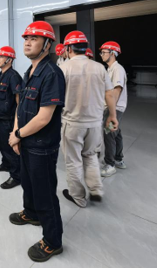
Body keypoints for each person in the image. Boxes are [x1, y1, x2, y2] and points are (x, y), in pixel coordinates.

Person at [8, 21, 65, 263]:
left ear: (47, 44)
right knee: (28, 184)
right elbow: (20, 106)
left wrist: (18, 135)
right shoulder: (29, 72)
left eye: (34, 38)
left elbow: (44, 117)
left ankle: (52, 241)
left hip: (41, 145)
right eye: (26, 39)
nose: (27, 42)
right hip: (26, 141)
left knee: (45, 193)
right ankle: (31, 213)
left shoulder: (52, 74)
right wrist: (16, 132)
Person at [59, 31, 119, 208]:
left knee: (73, 161)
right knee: (91, 155)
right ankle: (96, 189)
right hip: (95, 123)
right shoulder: (99, 68)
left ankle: (77, 196)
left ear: (69, 48)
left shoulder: (64, 68)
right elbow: (109, 94)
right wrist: (113, 116)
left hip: (72, 123)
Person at [0, 46, 23, 189]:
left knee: (10, 148)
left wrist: (18, 122)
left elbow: (19, 101)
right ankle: (6, 164)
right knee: (1, 144)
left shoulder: (13, 76)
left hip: (9, 119)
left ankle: (16, 175)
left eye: (1, 56)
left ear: (9, 59)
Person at [99, 41, 128, 177]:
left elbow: (116, 91)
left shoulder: (117, 69)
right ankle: (118, 159)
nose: (101, 55)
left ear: (112, 53)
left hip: (114, 108)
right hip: (112, 107)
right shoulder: (110, 69)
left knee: (109, 133)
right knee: (117, 132)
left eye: (104, 52)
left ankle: (110, 164)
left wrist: (112, 113)